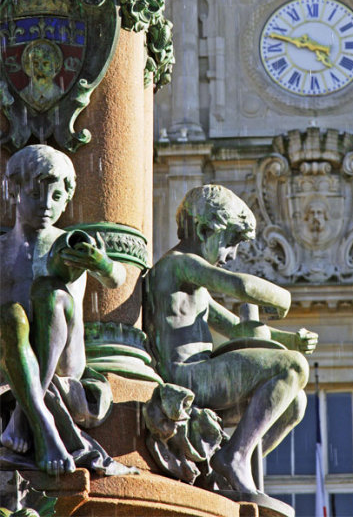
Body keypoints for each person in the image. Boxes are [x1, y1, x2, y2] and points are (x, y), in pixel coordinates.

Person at [146, 184, 318, 494]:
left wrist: (291, 340)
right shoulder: (177, 265)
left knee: (295, 402)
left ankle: (235, 461)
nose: (233, 254)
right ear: (203, 229)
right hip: (186, 376)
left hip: (203, 377)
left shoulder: (194, 283)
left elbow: (240, 329)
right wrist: (282, 298)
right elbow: (239, 286)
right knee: (293, 368)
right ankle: (234, 457)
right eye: (232, 242)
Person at [0, 145, 126, 475]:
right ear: (12, 190)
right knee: (10, 315)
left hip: (64, 361)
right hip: (11, 353)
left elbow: (116, 279)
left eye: (57, 197)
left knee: (50, 291)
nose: (46, 205)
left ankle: (21, 417)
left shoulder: (66, 245)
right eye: (36, 194)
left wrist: (101, 262)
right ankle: (42, 423)